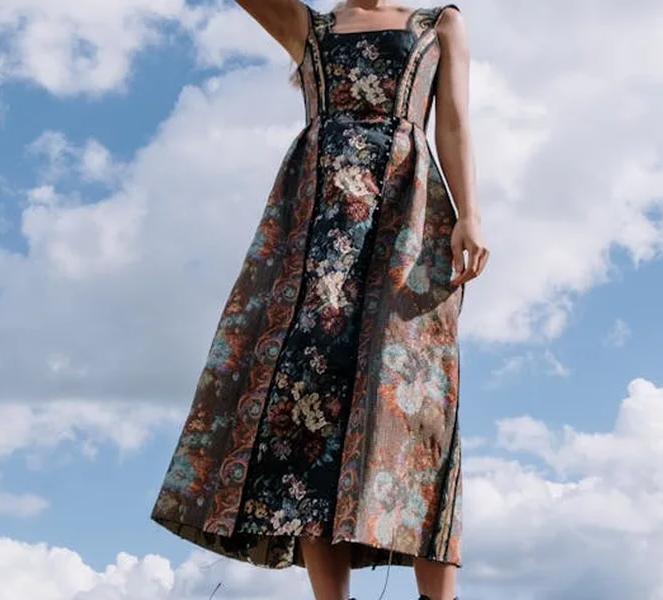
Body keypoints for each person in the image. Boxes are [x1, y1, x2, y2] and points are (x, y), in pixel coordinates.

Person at [151, 1, 487, 599]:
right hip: (315, 228)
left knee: (416, 403)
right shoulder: (311, 26)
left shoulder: (439, 24)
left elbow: (455, 122)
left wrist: (471, 217)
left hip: (410, 222)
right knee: (310, 400)